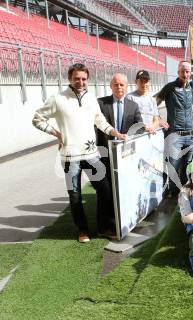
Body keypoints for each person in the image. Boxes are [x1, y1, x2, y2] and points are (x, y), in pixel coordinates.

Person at [32, 63, 127, 243]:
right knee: (75, 196)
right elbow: (37, 119)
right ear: (69, 78)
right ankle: (82, 230)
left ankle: (103, 227)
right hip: (70, 157)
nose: (80, 82)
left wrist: (115, 133)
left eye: (84, 79)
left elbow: (100, 121)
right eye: (77, 78)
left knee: (105, 191)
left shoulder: (92, 99)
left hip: (92, 155)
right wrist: (56, 133)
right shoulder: (57, 99)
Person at [157, 61, 193, 197]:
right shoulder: (170, 87)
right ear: (178, 72)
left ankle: (185, 194)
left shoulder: (191, 86)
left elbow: (191, 108)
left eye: (187, 71)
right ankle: (173, 194)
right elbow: (154, 102)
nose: (185, 74)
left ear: (190, 72)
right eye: (182, 71)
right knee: (173, 166)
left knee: (187, 166)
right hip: (175, 134)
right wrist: (159, 119)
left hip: (190, 134)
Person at [97, 73, 144, 187]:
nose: (119, 87)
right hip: (105, 150)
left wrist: (129, 136)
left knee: (124, 182)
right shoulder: (100, 103)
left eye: (121, 85)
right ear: (110, 86)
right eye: (116, 84)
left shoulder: (133, 106)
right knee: (106, 185)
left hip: (126, 150)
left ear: (127, 86)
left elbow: (140, 127)